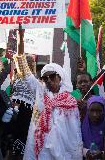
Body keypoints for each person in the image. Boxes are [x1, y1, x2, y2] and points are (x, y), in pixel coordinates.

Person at [13, 27, 82, 160]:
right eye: (45, 78)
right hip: (41, 148)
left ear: (60, 77)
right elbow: (23, 69)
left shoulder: (70, 101)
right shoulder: (40, 91)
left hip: (62, 151)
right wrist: (21, 40)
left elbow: (74, 131)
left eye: (52, 76)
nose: (48, 80)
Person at [10, 55, 36, 160]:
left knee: (18, 146)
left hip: (21, 114)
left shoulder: (21, 79)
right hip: (30, 114)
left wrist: (13, 109)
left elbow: (17, 101)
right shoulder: (34, 79)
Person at [82, 96, 105, 160]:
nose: (95, 114)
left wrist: (102, 154)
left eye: (99, 111)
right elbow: (76, 146)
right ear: (87, 110)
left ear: (104, 111)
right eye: (92, 110)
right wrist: (87, 152)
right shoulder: (82, 125)